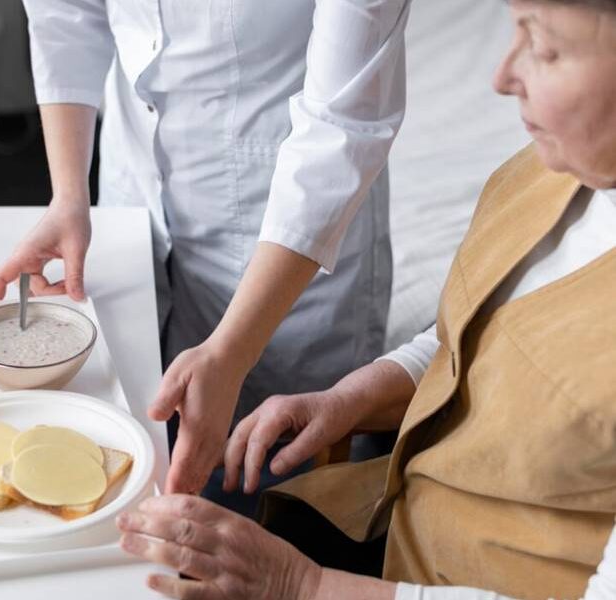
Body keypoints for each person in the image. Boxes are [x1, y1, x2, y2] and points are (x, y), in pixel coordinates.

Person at [117, 0, 616, 598]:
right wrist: (352, 398)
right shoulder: (553, 172)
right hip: (396, 530)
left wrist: (299, 584)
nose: (502, 77)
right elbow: (478, 332)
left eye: (544, 46)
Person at [0, 0, 411, 503]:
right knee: (126, 461)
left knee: (268, 492)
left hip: (284, 241)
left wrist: (231, 352)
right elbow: (67, 12)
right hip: (133, 196)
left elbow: (341, 126)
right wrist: (69, 195)